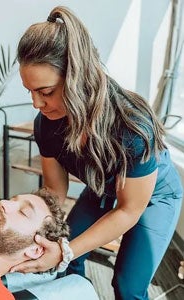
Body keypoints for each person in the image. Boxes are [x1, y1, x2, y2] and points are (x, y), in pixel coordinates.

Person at [13, 6, 183, 299]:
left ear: (78, 76)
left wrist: (63, 250)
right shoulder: (47, 125)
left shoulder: (133, 127)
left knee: (128, 286)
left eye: (46, 91)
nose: (36, 103)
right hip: (101, 188)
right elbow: (54, 189)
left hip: (154, 198)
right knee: (67, 265)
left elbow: (129, 209)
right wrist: (26, 225)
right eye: (30, 91)